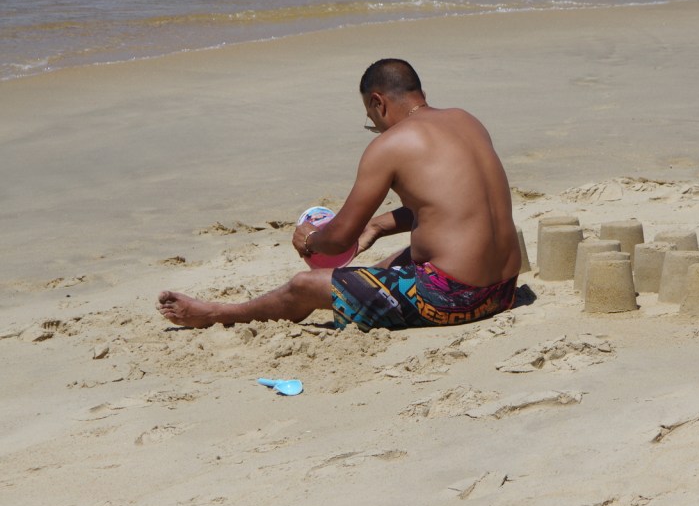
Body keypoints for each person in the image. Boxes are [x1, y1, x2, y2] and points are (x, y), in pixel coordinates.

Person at [158, 58, 521, 331]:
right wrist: (378, 226)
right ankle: (364, 288)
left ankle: (219, 314)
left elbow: (340, 240)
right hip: (503, 289)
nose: (375, 127)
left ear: (378, 102)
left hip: (456, 300)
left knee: (304, 285)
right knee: (393, 263)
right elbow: (453, 207)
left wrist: (312, 238)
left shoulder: (391, 144)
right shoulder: (466, 120)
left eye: (371, 118)